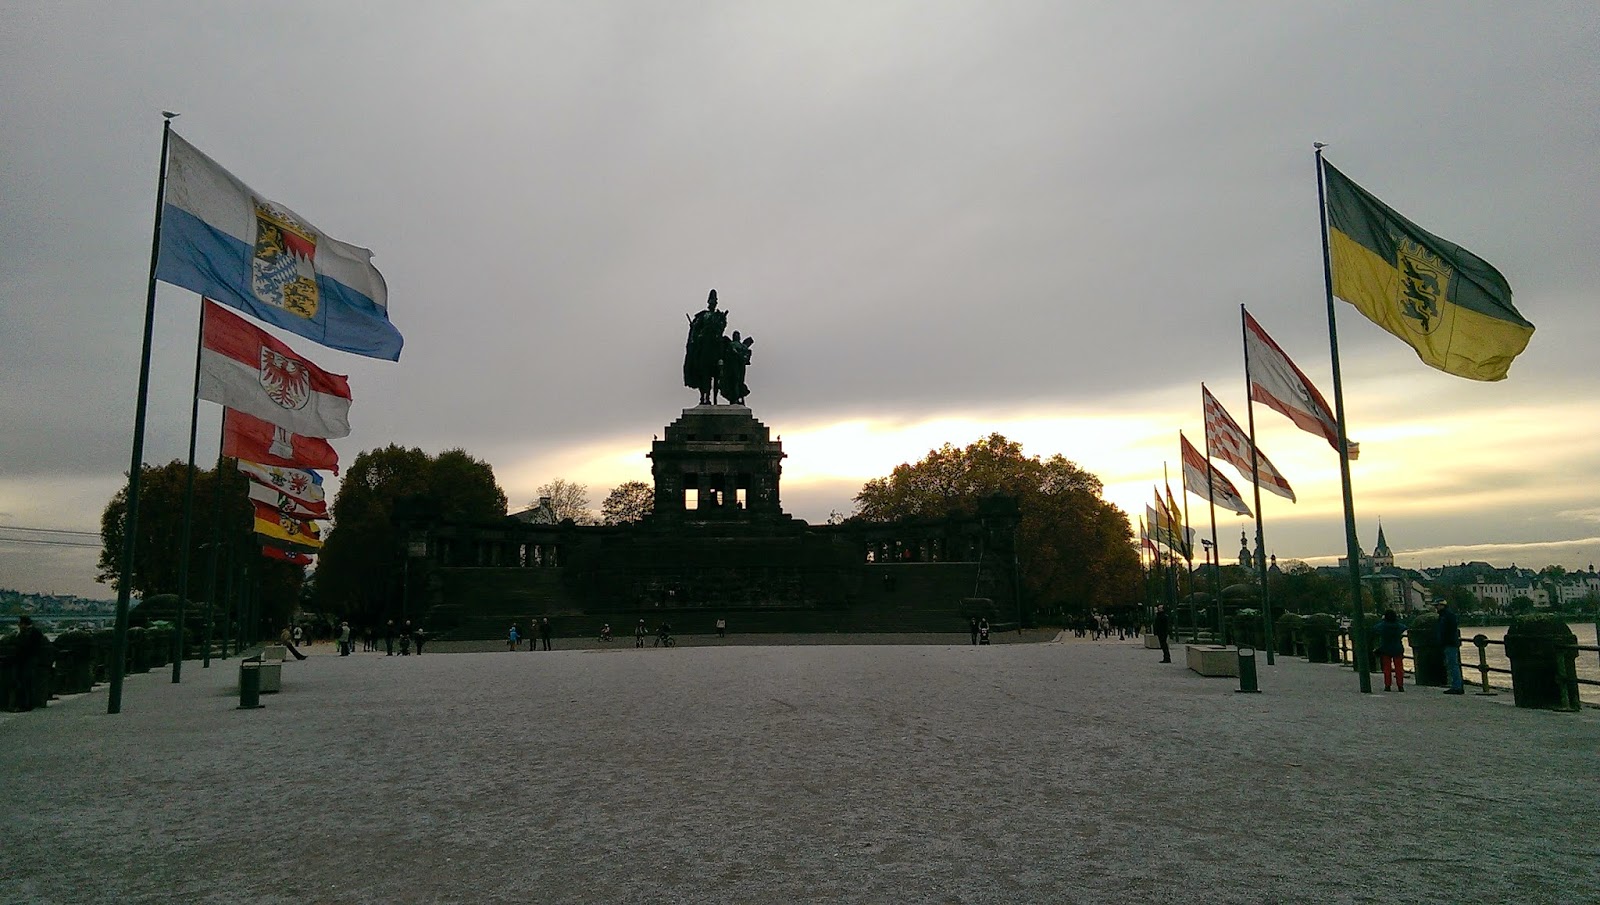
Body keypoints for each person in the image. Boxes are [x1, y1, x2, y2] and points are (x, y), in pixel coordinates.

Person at [683, 289, 728, 405]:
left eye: (715, 301)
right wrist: (694, 333)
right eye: (712, 301)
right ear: (708, 303)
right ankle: (704, 397)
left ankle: (723, 364)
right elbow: (695, 330)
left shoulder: (719, 316)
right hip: (704, 344)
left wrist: (722, 320)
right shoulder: (702, 315)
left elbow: (722, 328)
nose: (713, 303)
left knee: (725, 348)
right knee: (703, 370)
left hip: (716, 343)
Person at [13, 615, 47, 711]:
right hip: (30, 660)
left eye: (20, 623)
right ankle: (27, 704)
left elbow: (26, 647)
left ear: (24, 624)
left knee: (25, 683)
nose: (18, 625)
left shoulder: (30, 633)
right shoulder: (35, 632)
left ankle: (25, 705)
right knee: (27, 683)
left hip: (27, 661)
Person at [1435, 599, 1464, 694]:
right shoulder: (1447, 615)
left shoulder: (1446, 616)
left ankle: (1456, 686)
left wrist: (1442, 639)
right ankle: (1456, 685)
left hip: (1449, 643)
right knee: (1452, 664)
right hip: (1450, 642)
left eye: (1437, 605)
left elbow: (1447, 630)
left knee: (1452, 664)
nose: (1436, 607)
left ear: (1442, 605)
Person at [717, 331, 754, 405]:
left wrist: (744, 357)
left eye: (737, 335)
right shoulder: (731, 345)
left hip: (739, 366)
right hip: (732, 367)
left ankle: (737, 397)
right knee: (734, 381)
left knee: (739, 381)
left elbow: (746, 355)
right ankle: (735, 398)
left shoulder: (742, 346)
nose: (736, 336)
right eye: (735, 335)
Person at [1376, 610, 1408, 692]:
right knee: (1399, 668)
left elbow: (1375, 628)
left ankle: (1387, 685)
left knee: (1387, 668)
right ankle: (1400, 686)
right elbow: (1405, 627)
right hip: (1397, 648)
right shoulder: (1399, 626)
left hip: (1385, 648)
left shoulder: (1382, 626)